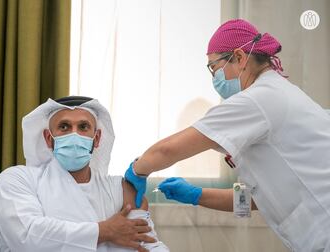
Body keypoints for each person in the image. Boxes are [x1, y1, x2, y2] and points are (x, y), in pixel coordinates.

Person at [125, 19, 330, 251]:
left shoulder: (258, 100)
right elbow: (257, 197)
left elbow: (167, 150)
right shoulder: (277, 97)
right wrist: (196, 194)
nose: (214, 78)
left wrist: (137, 170)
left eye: (214, 67)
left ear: (240, 57)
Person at [0, 96, 169, 252]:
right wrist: (104, 231)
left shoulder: (119, 189)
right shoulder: (17, 180)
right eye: (64, 127)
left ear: (96, 139)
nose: (74, 135)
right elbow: (26, 238)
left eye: (83, 127)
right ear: (48, 138)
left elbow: (148, 245)